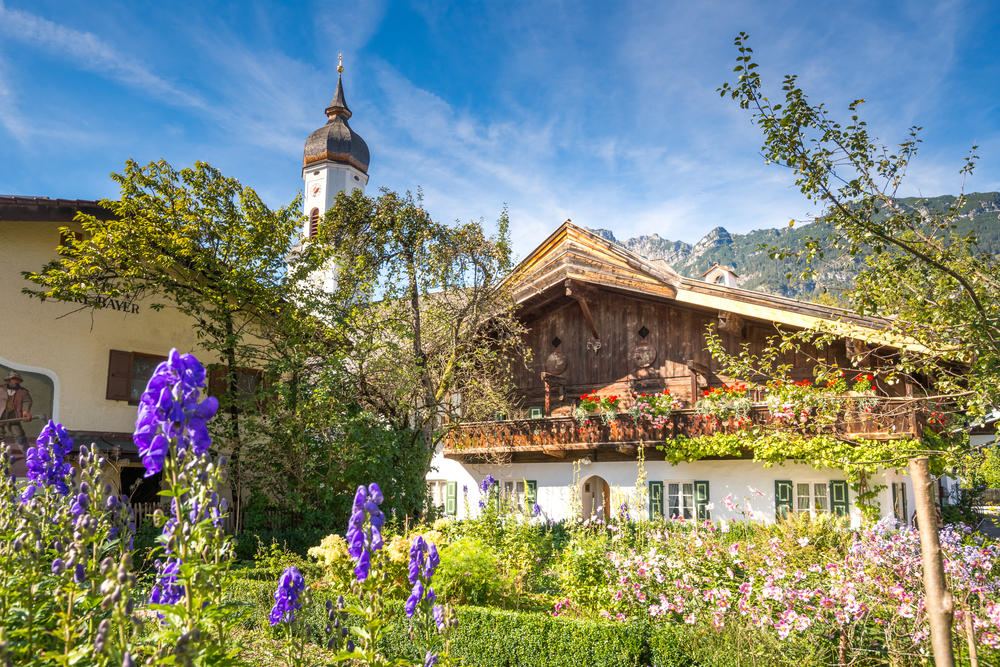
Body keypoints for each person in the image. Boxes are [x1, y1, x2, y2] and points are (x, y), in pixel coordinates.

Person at [1, 371, 31, 446]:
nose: (15, 381)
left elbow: (27, 401)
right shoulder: (0, 389)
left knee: (18, 434)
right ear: (9, 380)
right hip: (1, 414)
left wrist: (25, 411)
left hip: (13, 415)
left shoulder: (23, 392)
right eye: (13, 379)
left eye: (17, 380)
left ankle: (28, 454)